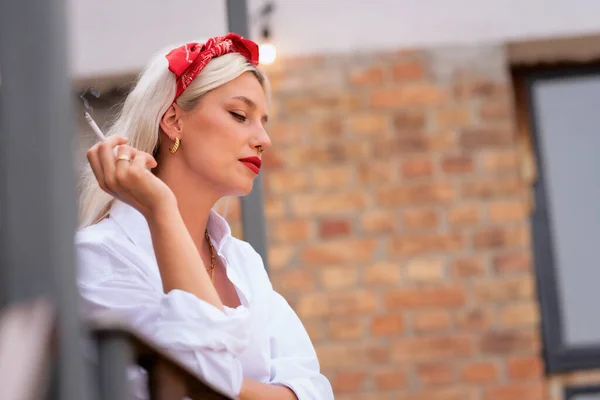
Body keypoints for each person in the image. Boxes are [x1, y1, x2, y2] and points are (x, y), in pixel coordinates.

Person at [75, 33, 334, 400]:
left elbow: (314, 390)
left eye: (264, 121)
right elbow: (199, 391)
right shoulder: (97, 257)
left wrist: (230, 388)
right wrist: (161, 209)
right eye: (240, 115)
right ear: (173, 121)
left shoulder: (244, 262)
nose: (264, 139)